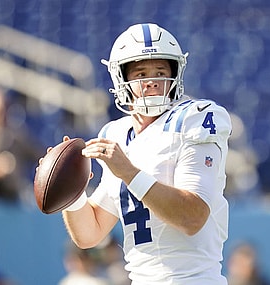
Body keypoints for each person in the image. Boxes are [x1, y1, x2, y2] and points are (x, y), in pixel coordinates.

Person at [41, 23, 232, 284]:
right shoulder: (116, 133)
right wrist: (72, 191)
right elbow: (90, 234)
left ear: (175, 74)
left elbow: (192, 217)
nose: (152, 81)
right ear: (123, 80)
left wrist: (129, 173)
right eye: (141, 73)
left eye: (161, 71)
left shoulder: (195, 118)